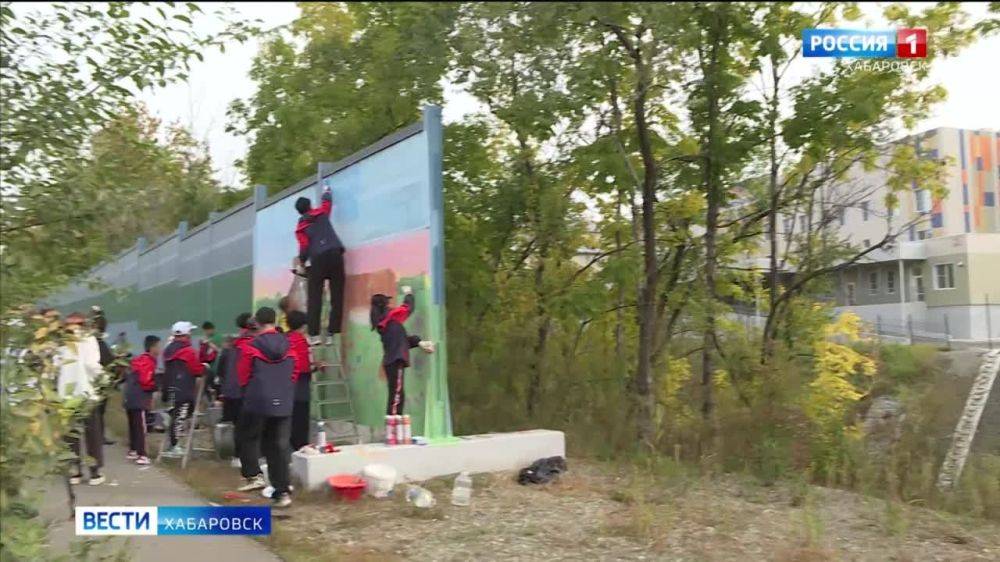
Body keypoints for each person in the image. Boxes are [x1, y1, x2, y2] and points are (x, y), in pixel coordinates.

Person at [236, 307, 296, 508]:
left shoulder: (250, 346)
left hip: (257, 400)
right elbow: (295, 372)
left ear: (257, 323)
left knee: (249, 437)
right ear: (274, 320)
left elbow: (243, 375)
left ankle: (253, 475)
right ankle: (282, 492)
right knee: (279, 446)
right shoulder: (289, 345)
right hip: (284, 401)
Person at [57, 312, 107, 485]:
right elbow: (91, 364)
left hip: (66, 395)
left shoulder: (60, 342)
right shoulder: (88, 339)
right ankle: (94, 472)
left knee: (71, 435)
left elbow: (55, 367)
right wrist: (104, 377)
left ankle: (74, 471)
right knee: (92, 433)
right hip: (86, 393)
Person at [370, 286, 435, 416]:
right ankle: (393, 427)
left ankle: (394, 427)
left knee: (397, 395)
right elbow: (407, 308)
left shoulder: (387, 324)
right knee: (397, 396)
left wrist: (419, 342)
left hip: (393, 361)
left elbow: (402, 341)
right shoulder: (390, 319)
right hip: (395, 361)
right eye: (388, 303)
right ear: (384, 306)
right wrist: (409, 293)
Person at [294, 185, 345, 346]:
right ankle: (331, 333)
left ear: (299, 212)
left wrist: (302, 263)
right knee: (337, 296)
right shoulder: (321, 213)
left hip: (318, 260)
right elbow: (327, 202)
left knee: (315, 297)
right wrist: (327, 189)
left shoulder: (301, 228)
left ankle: (314, 335)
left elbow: (304, 248)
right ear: (310, 206)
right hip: (335, 255)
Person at [162, 321, 207, 456]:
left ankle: (171, 443)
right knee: (180, 416)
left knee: (175, 416)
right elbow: (196, 370)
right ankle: (174, 447)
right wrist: (205, 368)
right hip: (184, 389)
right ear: (186, 334)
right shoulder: (188, 351)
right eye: (190, 333)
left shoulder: (167, 350)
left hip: (170, 387)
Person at [219, 312, 256, 467]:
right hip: (245, 391)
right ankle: (246, 458)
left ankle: (238, 456)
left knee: (239, 426)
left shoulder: (233, 344)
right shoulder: (252, 343)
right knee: (248, 427)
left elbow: (221, 369)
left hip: (231, 391)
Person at [123, 335, 161, 465]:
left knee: (133, 425)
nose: (160, 350)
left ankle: (133, 450)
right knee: (141, 427)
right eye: (158, 347)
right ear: (152, 348)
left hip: (129, 396)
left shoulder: (138, 360)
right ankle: (142, 454)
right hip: (139, 398)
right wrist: (155, 387)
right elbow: (146, 380)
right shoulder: (148, 361)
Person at [286, 310, 316, 450]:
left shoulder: (285, 339)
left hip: (287, 384)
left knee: (291, 419)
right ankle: (300, 446)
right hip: (301, 385)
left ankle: (292, 445)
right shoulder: (301, 340)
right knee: (301, 418)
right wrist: (315, 367)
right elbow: (304, 366)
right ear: (303, 325)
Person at [90, 306, 117, 445]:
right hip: (98, 380)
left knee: (98, 411)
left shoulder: (97, 343)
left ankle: (98, 435)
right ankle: (97, 436)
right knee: (98, 411)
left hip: (99, 380)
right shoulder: (96, 344)